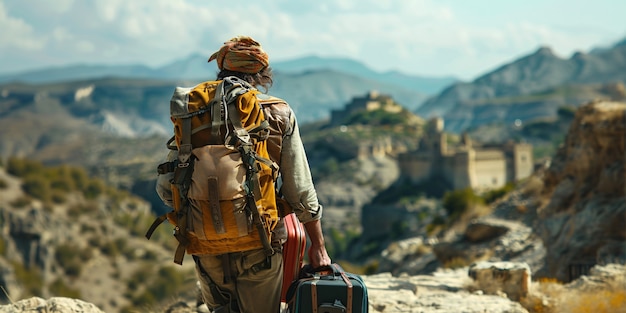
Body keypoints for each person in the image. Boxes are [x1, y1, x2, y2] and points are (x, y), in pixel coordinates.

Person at [155, 36, 331, 313]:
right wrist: (318, 246)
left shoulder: (194, 113)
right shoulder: (277, 112)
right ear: (261, 75)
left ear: (222, 70)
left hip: (204, 240)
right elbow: (300, 189)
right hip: (259, 240)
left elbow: (166, 188)